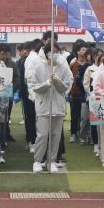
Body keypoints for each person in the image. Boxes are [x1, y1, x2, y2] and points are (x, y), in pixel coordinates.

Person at [27, 40, 73, 173]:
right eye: (52, 52)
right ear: (47, 53)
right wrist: (47, 83)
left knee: (55, 135)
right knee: (42, 135)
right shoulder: (38, 67)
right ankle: (37, 161)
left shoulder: (63, 68)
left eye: (57, 52)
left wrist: (57, 80)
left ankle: (51, 161)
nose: (55, 54)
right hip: (44, 106)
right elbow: (35, 87)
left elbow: (65, 87)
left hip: (58, 106)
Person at [15, 42, 38, 151]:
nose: (23, 52)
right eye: (22, 50)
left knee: (35, 118)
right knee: (30, 118)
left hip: (36, 94)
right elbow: (21, 80)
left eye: (24, 49)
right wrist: (22, 93)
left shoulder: (34, 59)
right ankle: (30, 140)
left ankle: (35, 140)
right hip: (27, 95)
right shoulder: (21, 62)